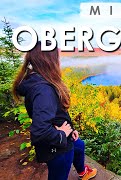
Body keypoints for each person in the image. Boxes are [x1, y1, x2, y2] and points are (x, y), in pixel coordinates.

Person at [13, 41, 97, 180]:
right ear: (48, 60)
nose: (59, 60)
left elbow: (57, 112)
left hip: (61, 137)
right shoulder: (44, 90)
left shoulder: (40, 80)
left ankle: (83, 173)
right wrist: (62, 135)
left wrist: (71, 129)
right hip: (57, 148)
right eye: (57, 56)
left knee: (79, 145)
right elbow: (39, 132)